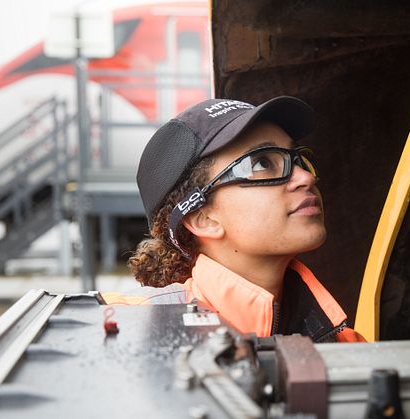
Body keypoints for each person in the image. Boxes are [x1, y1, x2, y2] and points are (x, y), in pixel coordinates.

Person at [103, 96, 365, 343]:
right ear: (203, 218)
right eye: (261, 164)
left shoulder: (341, 342)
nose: (305, 178)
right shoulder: (127, 330)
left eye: (297, 159)